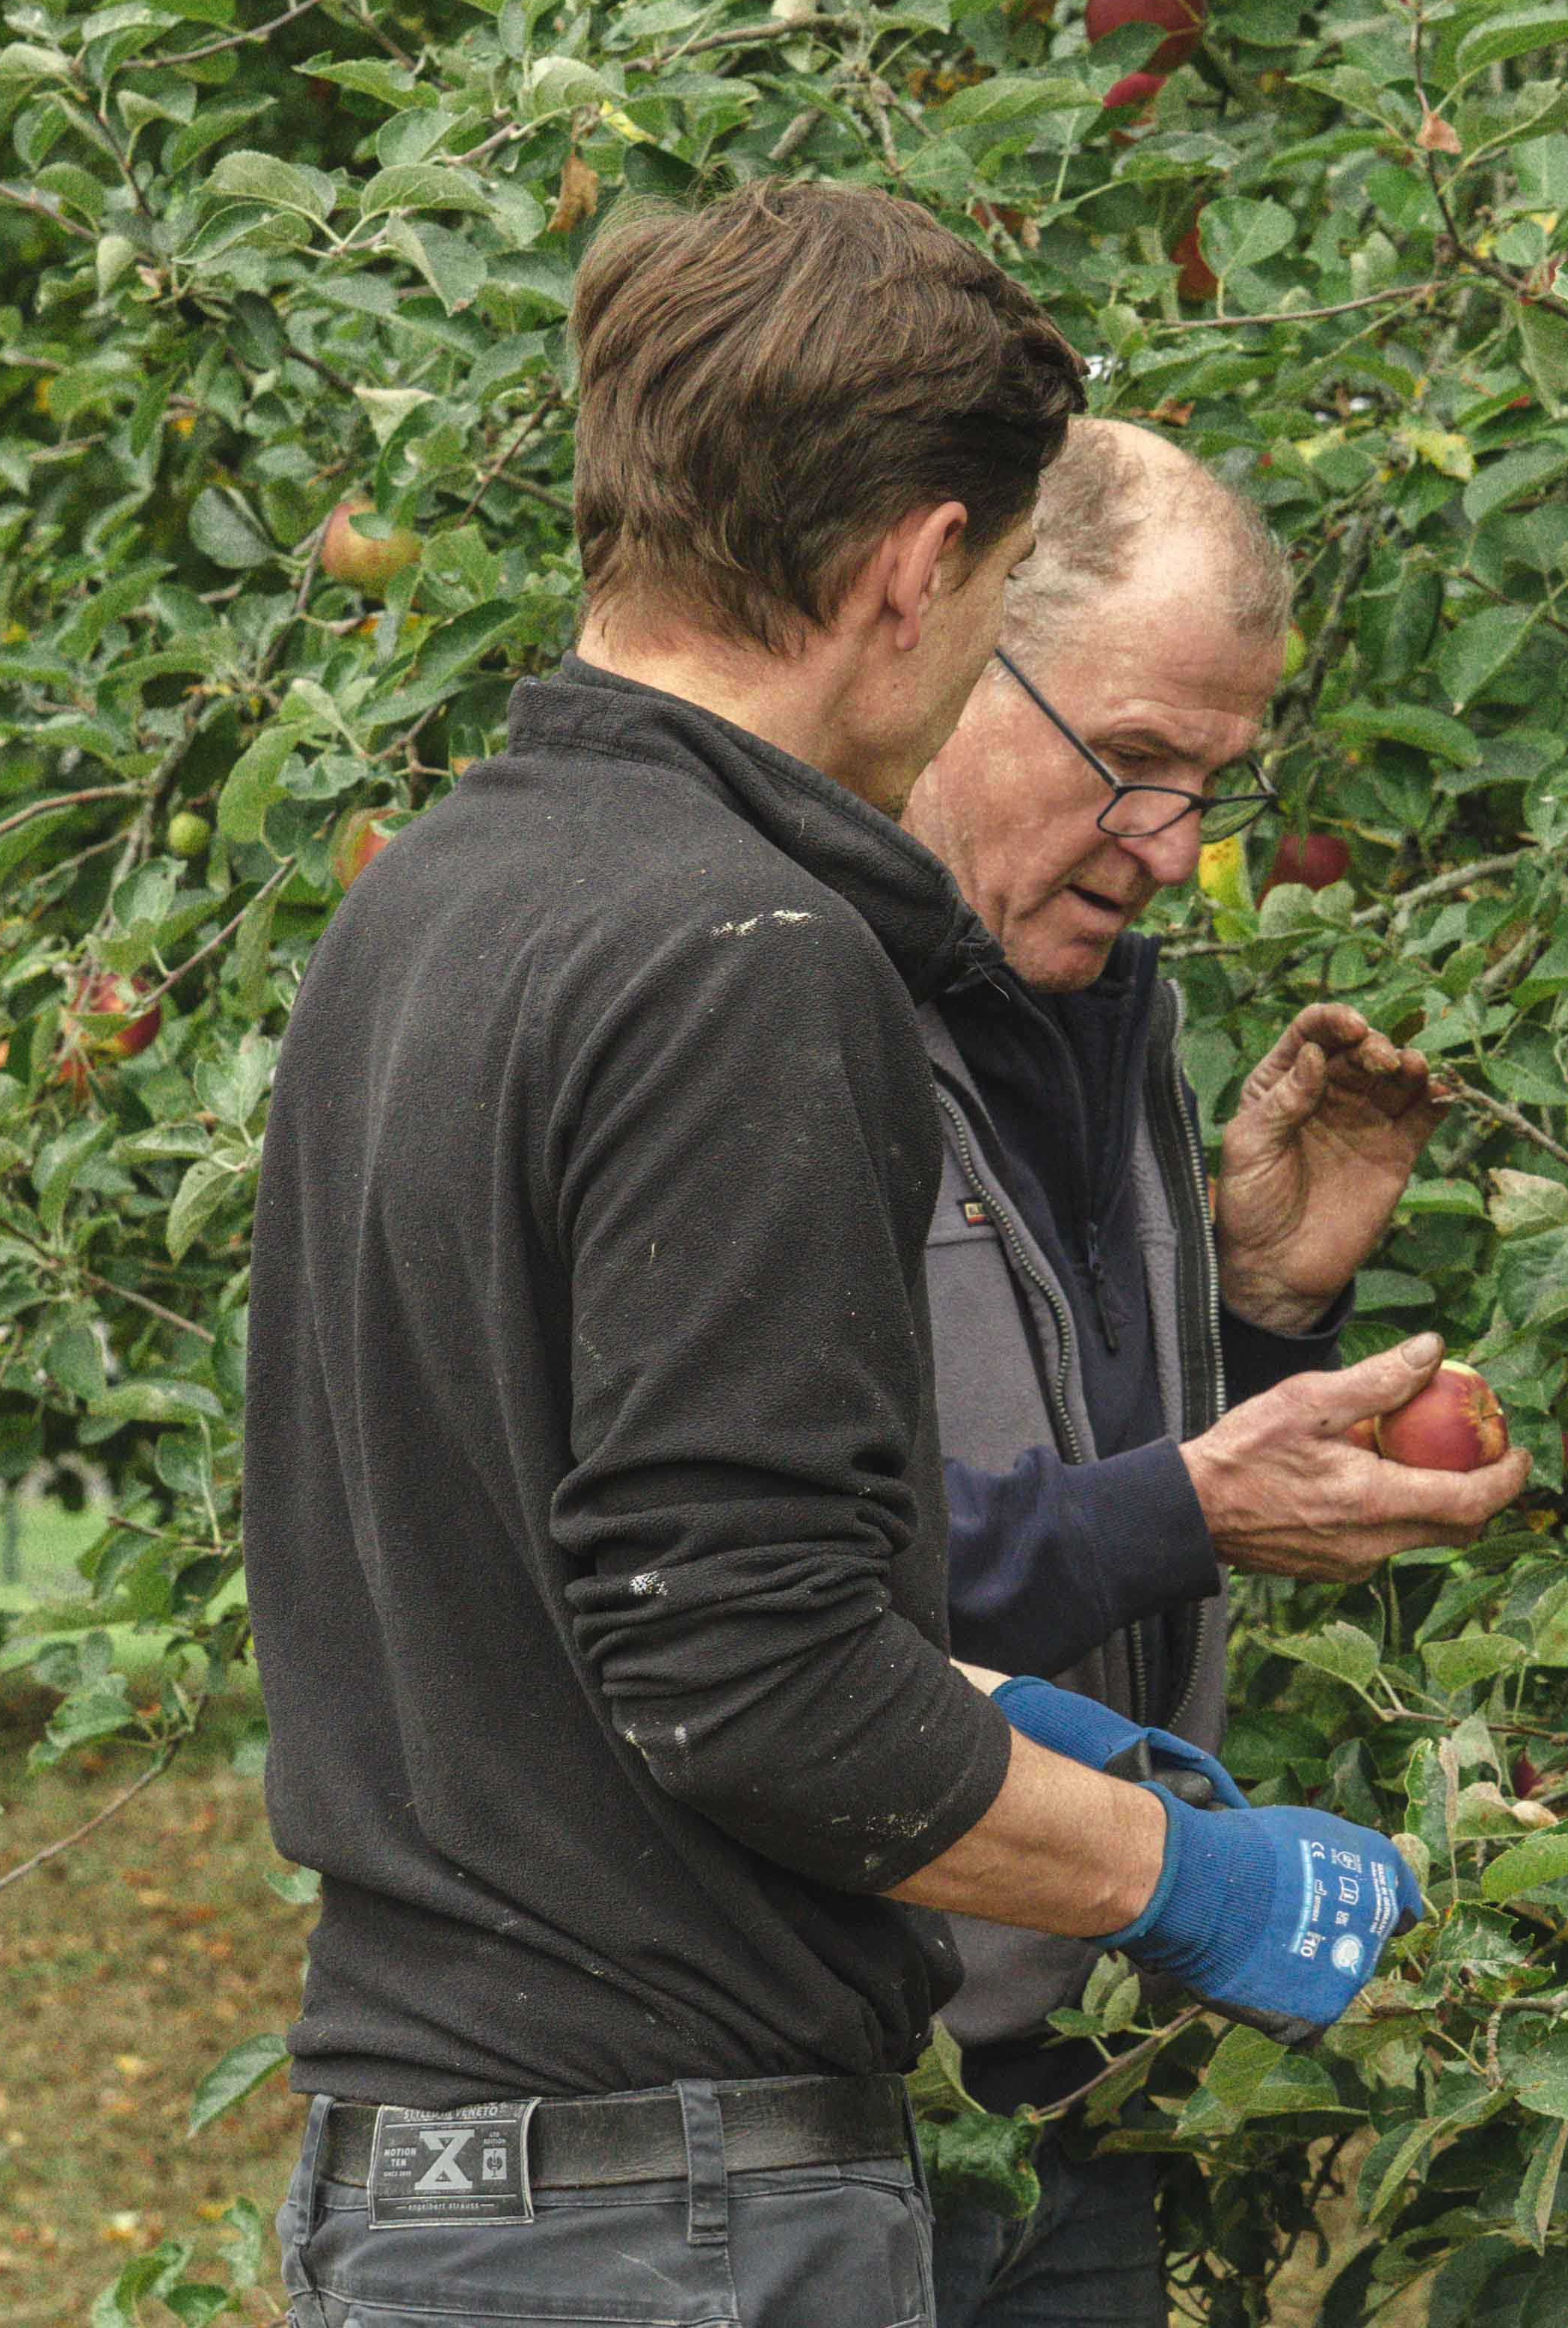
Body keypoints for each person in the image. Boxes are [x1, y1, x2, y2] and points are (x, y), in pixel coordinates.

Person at [239, 185, 1427, 2328]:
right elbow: (752, 1681)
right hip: (663, 2200)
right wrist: (1196, 1880)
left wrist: (1035, 1709)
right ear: (915, 568)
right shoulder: (752, 957)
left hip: (432, 2165)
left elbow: (594, 1604)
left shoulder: (422, 914)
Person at [897, 420, 1528, 2328]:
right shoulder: (773, 1024)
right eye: (1131, 760)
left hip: (1078, 2061)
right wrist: (1190, 1501)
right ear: (944, 644)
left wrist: (1260, 1312)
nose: (1169, 845)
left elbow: (1071, 1481)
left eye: (1212, 783)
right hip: (831, 2103)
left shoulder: (1110, 1029)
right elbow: (751, 1575)